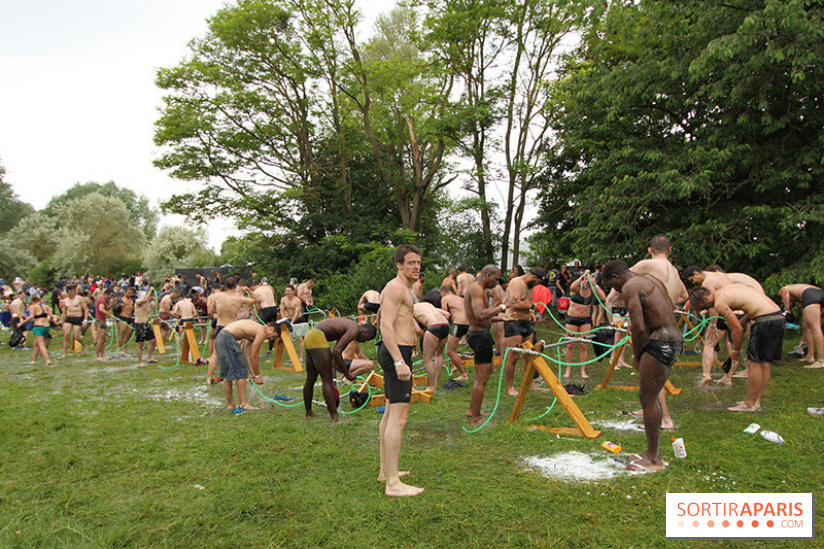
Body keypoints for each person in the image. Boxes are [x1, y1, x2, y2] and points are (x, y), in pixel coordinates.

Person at [602, 260, 683, 471]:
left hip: (660, 342)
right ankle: (652, 453)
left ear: (616, 277)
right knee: (650, 396)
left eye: (613, 285)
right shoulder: (651, 280)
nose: (616, 291)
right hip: (673, 339)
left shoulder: (629, 286)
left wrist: (638, 355)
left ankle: (653, 460)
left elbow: (637, 327)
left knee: (648, 398)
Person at [689, 284, 784, 412]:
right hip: (777, 316)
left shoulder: (719, 302)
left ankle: (749, 404)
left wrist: (735, 351)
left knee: (754, 362)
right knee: (764, 362)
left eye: (705, 306)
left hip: (764, 321)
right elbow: (751, 309)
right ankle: (756, 401)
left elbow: (737, 330)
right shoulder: (726, 290)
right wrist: (741, 322)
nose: (710, 308)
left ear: (705, 299)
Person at [377, 244, 424, 497]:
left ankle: (386, 471)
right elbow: (385, 325)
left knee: (389, 414)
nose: (416, 267)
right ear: (399, 265)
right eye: (410, 263)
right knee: (399, 417)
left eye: (418, 262)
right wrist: (398, 361)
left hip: (398, 351)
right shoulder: (396, 287)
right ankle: (393, 484)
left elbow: (392, 317)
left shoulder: (402, 288)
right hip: (397, 353)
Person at [303, 317, 377, 423]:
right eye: (367, 339)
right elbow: (337, 352)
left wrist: (334, 377)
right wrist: (347, 373)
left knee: (311, 378)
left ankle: (308, 412)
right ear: (367, 331)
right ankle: (335, 418)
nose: (364, 341)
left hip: (310, 335)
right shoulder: (354, 329)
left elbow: (334, 354)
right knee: (326, 380)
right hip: (317, 337)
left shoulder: (348, 327)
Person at [684, 266, 737, 385]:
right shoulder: (719, 274)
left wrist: (713, 324)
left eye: (693, 280)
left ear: (697, 273)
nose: (694, 283)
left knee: (709, 343)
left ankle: (706, 375)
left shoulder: (708, 282)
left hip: (724, 311)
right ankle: (728, 377)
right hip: (736, 310)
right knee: (730, 343)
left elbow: (713, 303)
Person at [465, 265, 505, 425]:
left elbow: (485, 316)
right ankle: (476, 418)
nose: (497, 282)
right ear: (487, 275)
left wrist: (503, 318)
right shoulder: (476, 289)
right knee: (481, 378)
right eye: (496, 279)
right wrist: (502, 307)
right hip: (478, 336)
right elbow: (480, 313)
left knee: (486, 373)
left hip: (482, 335)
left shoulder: (480, 290)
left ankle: (472, 409)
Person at [214, 319, 278, 413]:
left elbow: (247, 355)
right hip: (227, 337)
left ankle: (230, 404)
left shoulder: (253, 332)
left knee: (230, 373)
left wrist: (253, 374)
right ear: (271, 329)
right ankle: (243, 403)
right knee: (240, 372)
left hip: (221, 337)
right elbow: (254, 356)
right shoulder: (261, 331)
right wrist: (257, 376)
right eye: (273, 336)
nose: (271, 339)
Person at [502, 267, 548, 395]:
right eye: (538, 282)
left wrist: (532, 311)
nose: (538, 285)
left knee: (530, 355)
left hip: (527, 322)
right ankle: (510, 387)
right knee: (513, 356)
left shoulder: (530, 286)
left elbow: (528, 302)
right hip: (514, 321)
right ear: (534, 277)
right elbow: (516, 304)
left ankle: (530, 383)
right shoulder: (517, 282)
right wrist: (533, 306)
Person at [206, 278, 259, 385]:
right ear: (236, 286)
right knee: (238, 350)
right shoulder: (238, 299)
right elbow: (255, 300)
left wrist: (221, 311)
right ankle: (249, 375)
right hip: (232, 328)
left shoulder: (217, 297)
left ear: (225, 286)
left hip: (220, 326)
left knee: (215, 355)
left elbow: (211, 311)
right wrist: (248, 290)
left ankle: (209, 378)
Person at [778, 284, 824, 369]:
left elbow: (785, 291)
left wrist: (786, 309)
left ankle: (821, 361)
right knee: (807, 326)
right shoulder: (799, 293)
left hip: (811, 295)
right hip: (819, 293)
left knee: (815, 327)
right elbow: (803, 306)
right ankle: (810, 356)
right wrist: (802, 341)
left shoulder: (784, 290)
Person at [413, 301, 450, 392]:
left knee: (427, 358)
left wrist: (429, 338)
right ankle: (435, 381)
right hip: (445, 325)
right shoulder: (426, 305)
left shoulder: (409, 310)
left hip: (434, 327)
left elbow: (418, 331)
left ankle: (432, 387)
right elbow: (447, 314)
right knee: (439, 354)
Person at [17, 296, 59, 366]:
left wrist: (22, 323)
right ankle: (33, 360)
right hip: (47, 327)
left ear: (32, 301)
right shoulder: (46, 307)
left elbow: (31, 317)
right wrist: (56, 322)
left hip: (38, 327)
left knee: (40, 344)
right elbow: (52, 316)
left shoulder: (33, 307)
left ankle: (47, 360)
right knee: (36, 344)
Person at [439, 285, 469, 381]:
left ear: (443, 292)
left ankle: (463, 375)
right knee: (451, 344)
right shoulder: (460, 298)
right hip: (469, 323)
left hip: (459, 324)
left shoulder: (445, 298)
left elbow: (445, 315)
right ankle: (454, 367)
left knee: (450, 351)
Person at [60, 284, 88, 357]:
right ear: (67, 292)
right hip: (69, 317)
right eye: (69, 292)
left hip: (77, 317)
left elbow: (85, 309)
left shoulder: (79, 298)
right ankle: (64, 353)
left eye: (72, 292)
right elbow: (64, 313)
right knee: (66, 335)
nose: (71, 294)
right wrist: (63, 323)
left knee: (76, 336)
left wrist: (85, 320)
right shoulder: (65, 301)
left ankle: (84, 345)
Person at [134, 285, 157, 366]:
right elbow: (144, 300)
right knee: (140, 343)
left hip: (146, 323)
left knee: (153, 340)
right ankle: (140, 362)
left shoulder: (148, 303)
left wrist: (154, 301)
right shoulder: (138, 302)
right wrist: (150, 290)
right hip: (139, 324)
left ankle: (150, 357)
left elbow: (155, 309)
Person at [93, 288, 115, 361]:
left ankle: (103, 354)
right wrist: (110, 315)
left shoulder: (104, 301)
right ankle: (97, 356)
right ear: (107, 294)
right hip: (100, 321)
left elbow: (106, 309)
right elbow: (101, 309)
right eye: (111, 295)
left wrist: (113, 304)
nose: (111, 297)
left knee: (103, 339)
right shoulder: (102, 300)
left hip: (102, 320)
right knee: (100, 339)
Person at [116, 286, 135, 352]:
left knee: (129, 333)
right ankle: (120, 348)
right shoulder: (122, 299)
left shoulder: (132, 300)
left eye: (131, 293)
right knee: (122, 333)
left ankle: (125, 347)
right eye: (128, 293)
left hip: (129, 317)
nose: (130, 294)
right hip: (123, 317)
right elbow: (116, 308)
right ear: (125, 292)